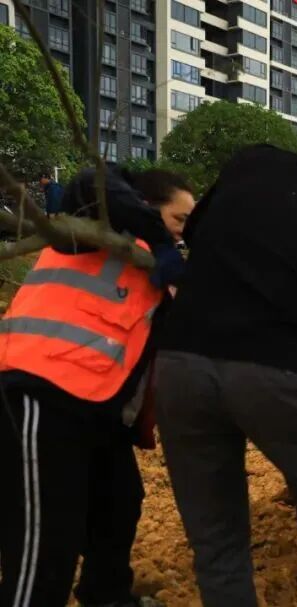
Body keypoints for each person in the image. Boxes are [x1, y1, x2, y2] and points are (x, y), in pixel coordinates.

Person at [153, 124, 297, 607]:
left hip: (181, 363)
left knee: (216, 536)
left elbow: (196, 232)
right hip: (277, 370)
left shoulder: (252, 160)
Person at [0, 168, 184, 607]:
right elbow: (94, 180)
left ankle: (106, 597)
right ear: (146, 207)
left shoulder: (155, 271)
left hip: (94, 407)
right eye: (178, 219)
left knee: (119, 503)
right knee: (45, 544)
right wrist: (159, 238)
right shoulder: (92, 232)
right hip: (39, 391)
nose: (182, 232)